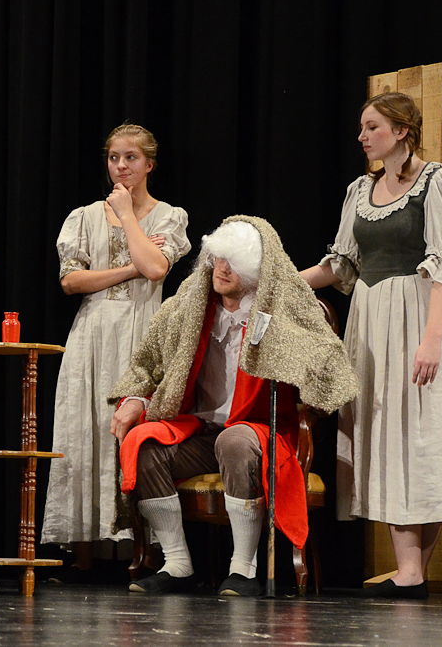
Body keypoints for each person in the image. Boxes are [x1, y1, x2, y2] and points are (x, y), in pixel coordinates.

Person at [300, 92, 442, 599]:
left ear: (401, 130)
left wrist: (431, 341)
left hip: (419, 319)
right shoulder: (360, 190)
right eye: (361, 127)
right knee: (385, 436)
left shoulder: (438, 182)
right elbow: (340, 265)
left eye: (372, 127)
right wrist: (280, 282)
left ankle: (410, 572)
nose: (362, 136)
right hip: (372, 324)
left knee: (422, 438)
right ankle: (411, 573)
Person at [109, 217, 357, 595]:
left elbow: (330, 367)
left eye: (234, 263)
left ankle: (243, 569)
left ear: (256, 271)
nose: (222, 270)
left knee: (235, 440)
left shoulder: (286, 310)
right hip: (200, 430)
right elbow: (148, 362)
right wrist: (134, 399)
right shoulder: (189, 307)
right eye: (218, 259)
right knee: (144, 443)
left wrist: (290, 353)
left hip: (257, 433)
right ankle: (177, 564)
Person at [40, 124, 191, 581]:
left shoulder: (169, 216)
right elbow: (71, 281)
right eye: (113, 158)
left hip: (143, 332)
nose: (121, 166)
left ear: (149, 164)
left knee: (135, 434)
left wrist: (127, 216)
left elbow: (156, 268)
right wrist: (129, 267)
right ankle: (83, 553)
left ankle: (143, 552)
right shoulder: (84, 217)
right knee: (85, 430)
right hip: (92, 334)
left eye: (130, 158)